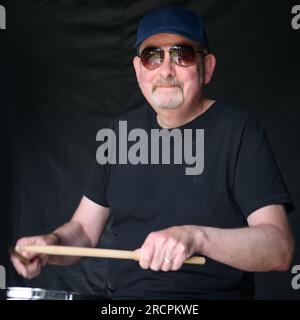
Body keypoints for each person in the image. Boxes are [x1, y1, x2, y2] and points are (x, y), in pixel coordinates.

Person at [11, 5, 294, 299]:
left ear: (206, 67)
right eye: (152, 56)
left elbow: (279, 248)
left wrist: (196, 237)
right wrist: (49, 246)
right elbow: (82, 230)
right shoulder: (121, 134)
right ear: (138, 70)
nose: (166, 70)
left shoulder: (239, 131)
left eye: (181, 54)